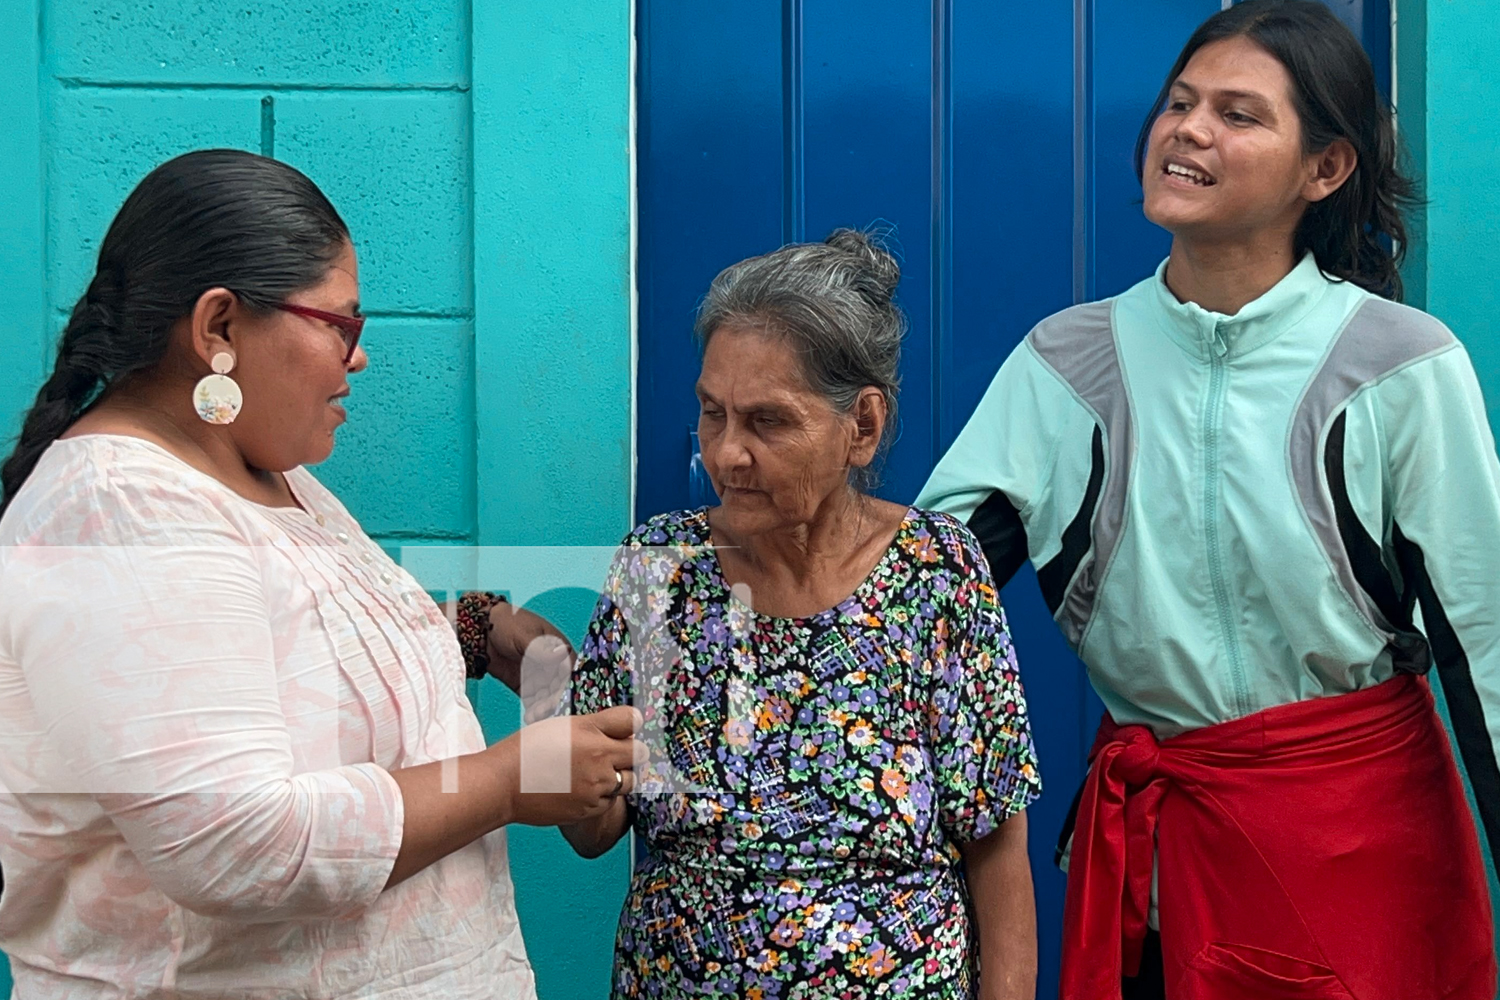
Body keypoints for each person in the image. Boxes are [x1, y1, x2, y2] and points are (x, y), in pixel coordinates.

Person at [918, 2, 1500, 997]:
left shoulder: (1402, 365)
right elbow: (917, 594)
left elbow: (1483, 645)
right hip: (1162, 860)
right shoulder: (1065, 365)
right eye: (1181, 103)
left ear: (1325, 170)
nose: (1188, 129)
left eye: (1239, 114)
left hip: (1365, 855)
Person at [0, 148, 643, 999]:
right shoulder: (128, 515)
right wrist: (508, 782)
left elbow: (280, 645)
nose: (360, 357)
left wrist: (470, 629)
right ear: (219, 329)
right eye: (342, 325)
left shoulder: (261, 475)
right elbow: (236, 843)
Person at [559, 229, 1042, 999]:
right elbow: (592, 832)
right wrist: (556, 732)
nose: (725, 454)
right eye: (712, 414)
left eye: (767, 422)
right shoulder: (659, 571)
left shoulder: (937, 573)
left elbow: (995, 847)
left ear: (863, 427)